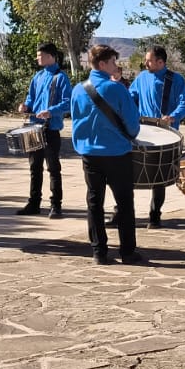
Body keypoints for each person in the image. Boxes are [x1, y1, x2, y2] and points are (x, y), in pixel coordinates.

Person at [70, 44, 146, 265]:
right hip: (117, 154)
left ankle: (99, 252)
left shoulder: (78, 90)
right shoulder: (117, 89)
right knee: (124, 202)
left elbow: (75, 122)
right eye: (113, 61)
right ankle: (128, 252)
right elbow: (133, 125)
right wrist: (130, 135)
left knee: (94, 202)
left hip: (89, 154)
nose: (116, 65)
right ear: (102, 64)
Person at [128, 45, 185, 228]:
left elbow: (184, 102)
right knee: (128, 172)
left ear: (160, 62)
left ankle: (155, 214)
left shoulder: (176, 79)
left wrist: (173, 116)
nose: (145, 62)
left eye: (149, 60)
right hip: (142, 132)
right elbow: (131, 97)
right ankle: (121, 211)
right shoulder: (141, 78)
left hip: (164, 135)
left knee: (158, 176)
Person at [20, 42, 72, 218]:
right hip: (34, 127)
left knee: (53, 168)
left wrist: (51, 111)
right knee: (34, 167)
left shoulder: (61, 77)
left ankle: (56, 205)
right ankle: (34, 203)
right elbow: (31, 97)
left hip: (50, 129)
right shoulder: (38, 76)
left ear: (51, 56)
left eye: (40, 55)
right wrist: (26, 106)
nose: (37, 58)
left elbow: (68, 102)